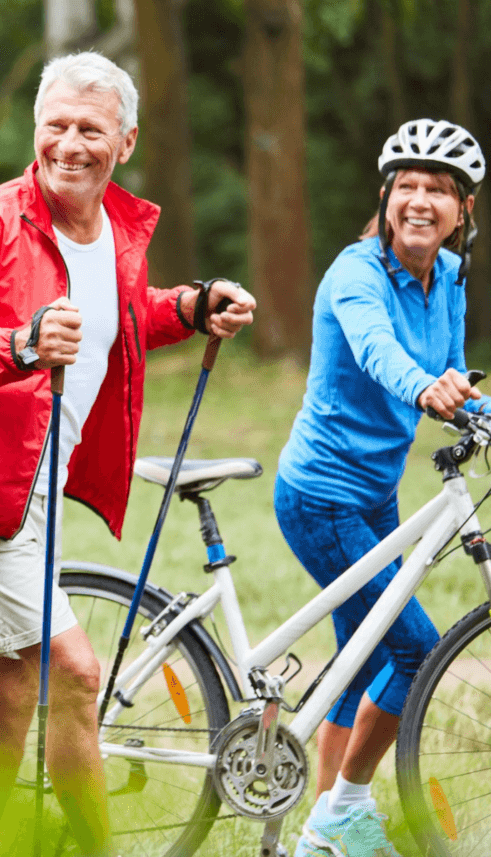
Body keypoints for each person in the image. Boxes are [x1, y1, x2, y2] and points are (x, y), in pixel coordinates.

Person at [0, 51, 256, 857]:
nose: (69, 143)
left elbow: (120, 318)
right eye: (54, 125)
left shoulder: (116, 230)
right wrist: (19, 346)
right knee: (76, 673)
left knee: (10, 691)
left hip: (37, 493)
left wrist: (193, 308)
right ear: (35, 129)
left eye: (89, 129)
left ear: (123, 141)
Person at [274, 118, 488, 857]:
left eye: (439, 189)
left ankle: (320, 833)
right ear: (386, 198)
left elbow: (452, 370)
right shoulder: (355, 273)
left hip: (375, 492)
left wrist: (475, 405)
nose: (421, 201)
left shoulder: (452, 277)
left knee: (361, 658)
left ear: (464, 209)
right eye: (408, 187)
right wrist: (425, 388)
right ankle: (342, 814)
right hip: (320, 494)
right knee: (416, 652)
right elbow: (378, 352)